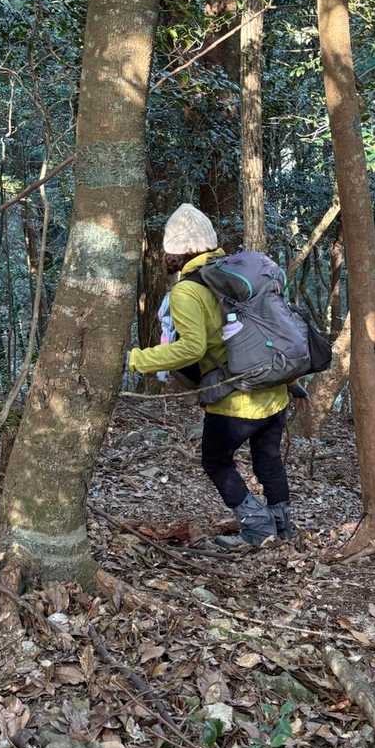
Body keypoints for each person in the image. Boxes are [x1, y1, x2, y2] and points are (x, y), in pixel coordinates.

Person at [127, 204, 293, 549]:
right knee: (268, 458)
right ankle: (282, 526)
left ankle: (258, 528)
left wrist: (138, 360)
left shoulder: (187, 291)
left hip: (236, 400)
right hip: (274, 387)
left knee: (216, 461)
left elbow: (191, 348)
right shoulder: (239, 272)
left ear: (174, 251)